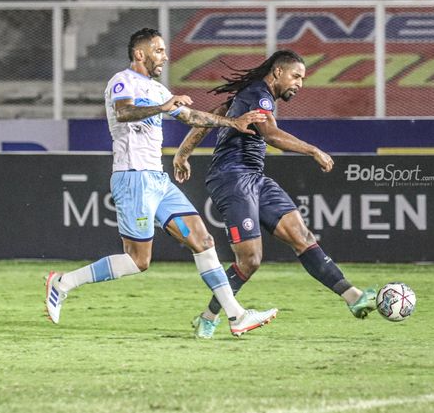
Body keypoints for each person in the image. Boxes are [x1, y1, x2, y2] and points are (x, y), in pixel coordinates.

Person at [45, 28, 277, 337]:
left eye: (165, 51)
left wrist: (232, 122)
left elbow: (192, 116)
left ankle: (236, 316)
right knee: (138, 261)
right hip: (133, 178)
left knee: (203, 240)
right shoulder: (122, 81)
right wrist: (163, 108)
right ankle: (64, 282)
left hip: (158, 180)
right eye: (158, 50)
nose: (165, 57)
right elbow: (124, 112)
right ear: (139, 54)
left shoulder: (157, 89)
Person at [173, 50, 378, 339]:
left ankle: (353, 296)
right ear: (278, 73)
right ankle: (208, 319)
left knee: (302, 236)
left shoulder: (251, 95)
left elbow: (216, 114)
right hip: (232, 177)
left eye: (303, 79)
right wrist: (314, 150)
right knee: (250, 259)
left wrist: (183, 153)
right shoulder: (259, 94)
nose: (300, 84)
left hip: (254, 178)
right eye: (296, 76)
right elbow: (271, 135)